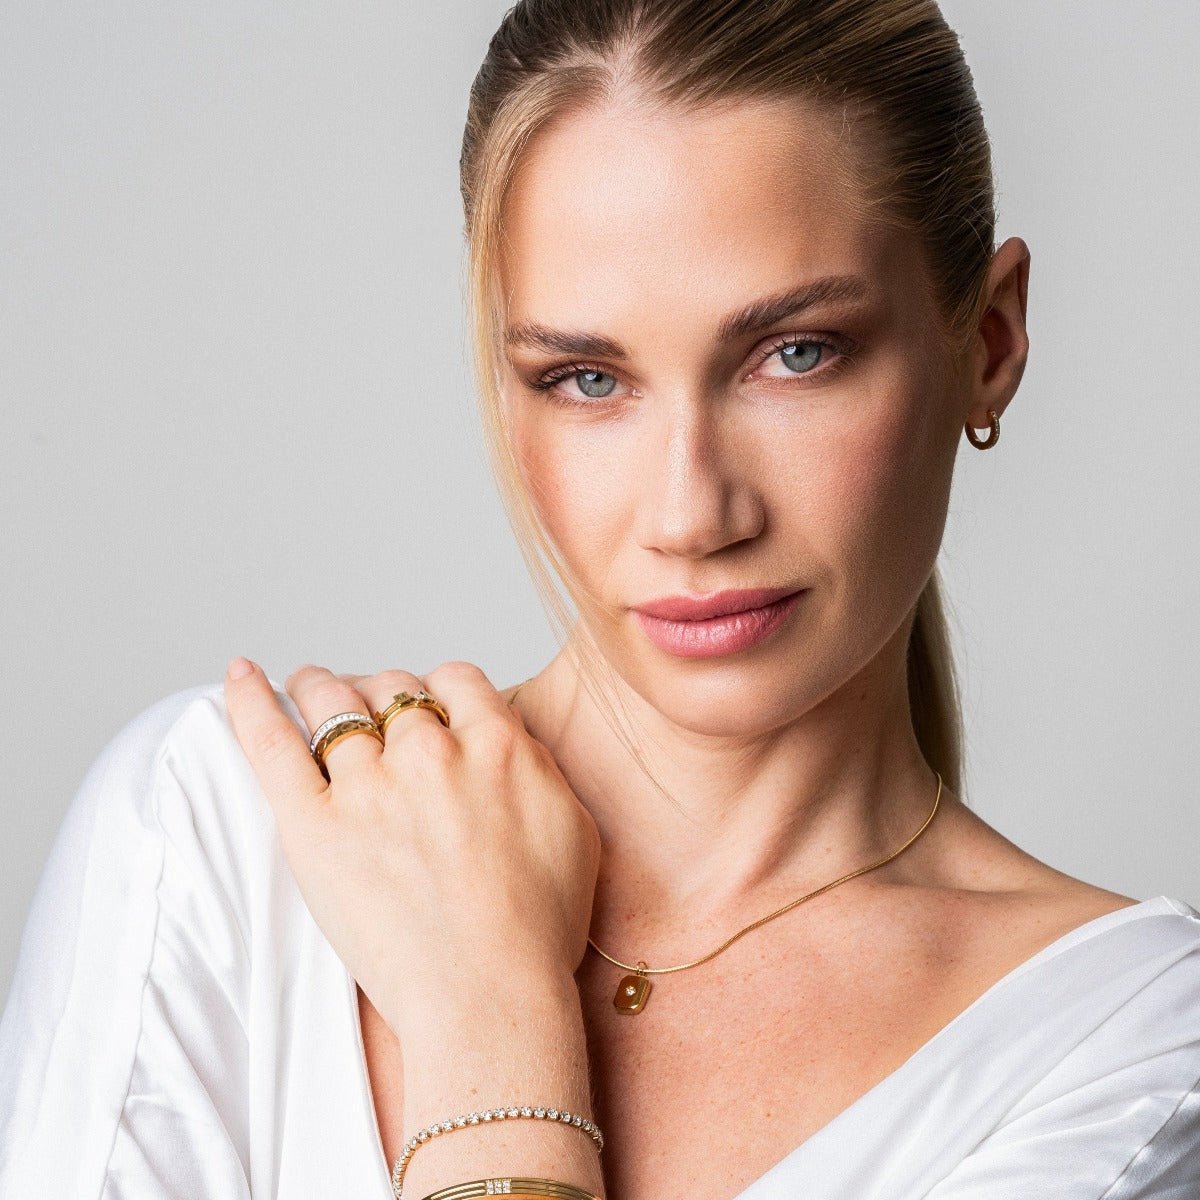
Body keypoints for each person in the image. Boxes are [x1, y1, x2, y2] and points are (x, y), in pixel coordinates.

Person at [2, 0, 1198, 1197]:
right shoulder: (222, 836)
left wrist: (491, 1025)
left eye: (797, 354)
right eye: (586, 378)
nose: (692, 513)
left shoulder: (1125, 1044)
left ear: (988, 342)